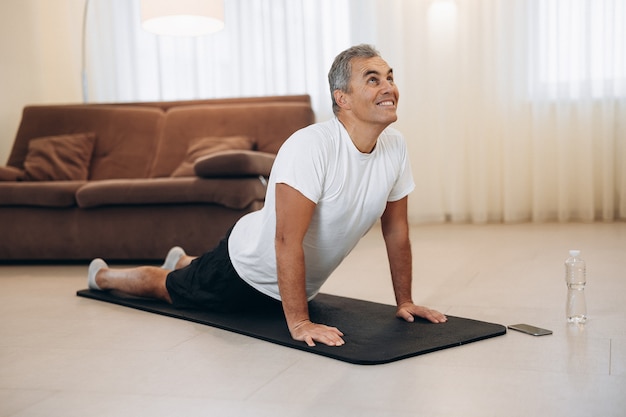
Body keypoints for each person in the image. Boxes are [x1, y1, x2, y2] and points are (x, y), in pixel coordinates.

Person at [87, 44, 447, 348]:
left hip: (289, 278)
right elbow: (286, 241)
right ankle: (104, 277)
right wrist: (300, 323)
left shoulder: (395, 148)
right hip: (246, 268)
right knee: (166, 288)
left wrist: (406, 301)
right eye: (373, 80)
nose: (388, 87)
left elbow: (396, 230)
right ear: (343, 99)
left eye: (390, 77)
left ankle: (184, 259)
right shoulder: (311, 147)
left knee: (193, 268)